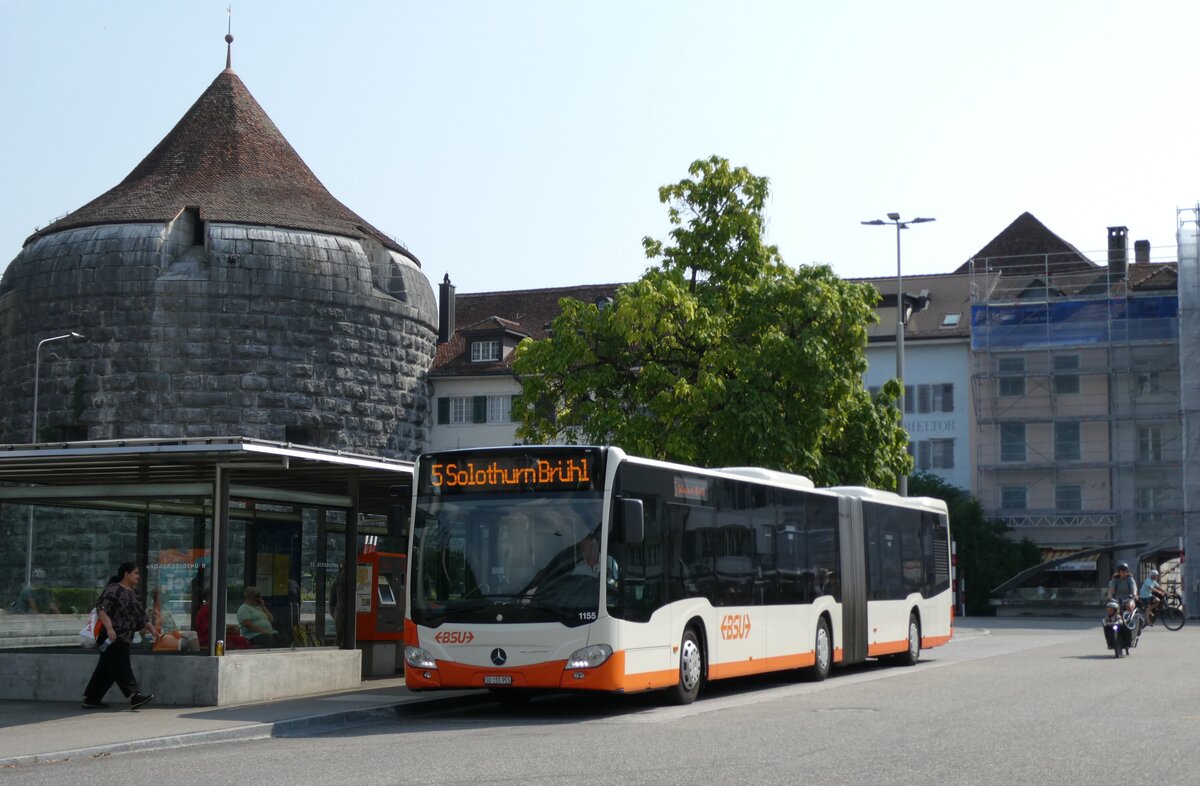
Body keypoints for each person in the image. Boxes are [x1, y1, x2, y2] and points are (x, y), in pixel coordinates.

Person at [82, 562, 158, 710]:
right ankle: (134, 696)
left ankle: (91, 699)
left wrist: (151, 629)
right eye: (135, 573)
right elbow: (102, 609)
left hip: (124, 636)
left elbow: (140, 616)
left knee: (107, 669)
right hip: (112, 637)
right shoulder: (113, 589)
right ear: (126, 574)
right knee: (123, 665)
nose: (138, 576)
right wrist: (110, 628)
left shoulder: (133, 593)